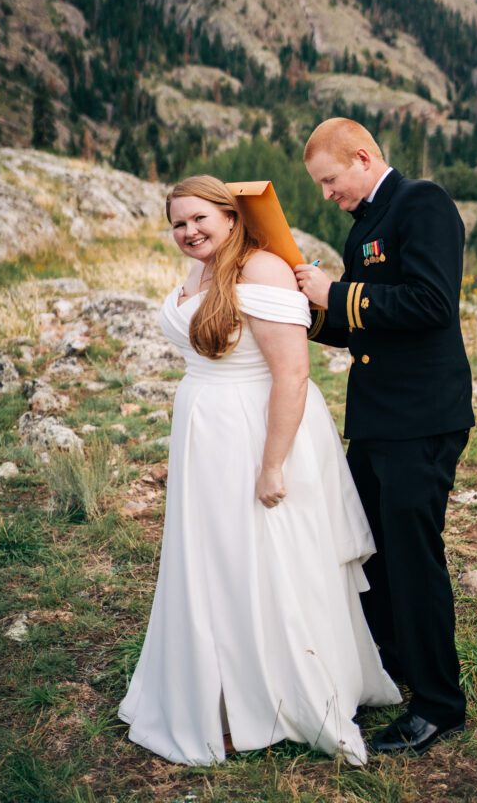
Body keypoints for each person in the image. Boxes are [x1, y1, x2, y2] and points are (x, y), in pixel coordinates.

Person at [117, 174, 400, 766]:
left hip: (257, 431)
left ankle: (269, 694)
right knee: (212, 558)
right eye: (178, 223)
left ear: (230, 216)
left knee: (262, 558)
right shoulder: (201, 271)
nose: (188, 231)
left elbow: (293, 375)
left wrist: (272, 465)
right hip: (206, 435)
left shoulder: (262, 269)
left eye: (200, 219)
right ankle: (214, 689)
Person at [294, 118, 475, 756]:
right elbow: (364, 323)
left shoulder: (419, 202)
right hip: (378, 420)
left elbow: (431, 303)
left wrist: (339, 292)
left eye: (330, 180)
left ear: (364, 157)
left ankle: (439, 704)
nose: (326, 194)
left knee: (413, 558)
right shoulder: (364, 222)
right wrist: (311, 313)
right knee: (373, 552)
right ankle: (390, 667)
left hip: (422, 418)